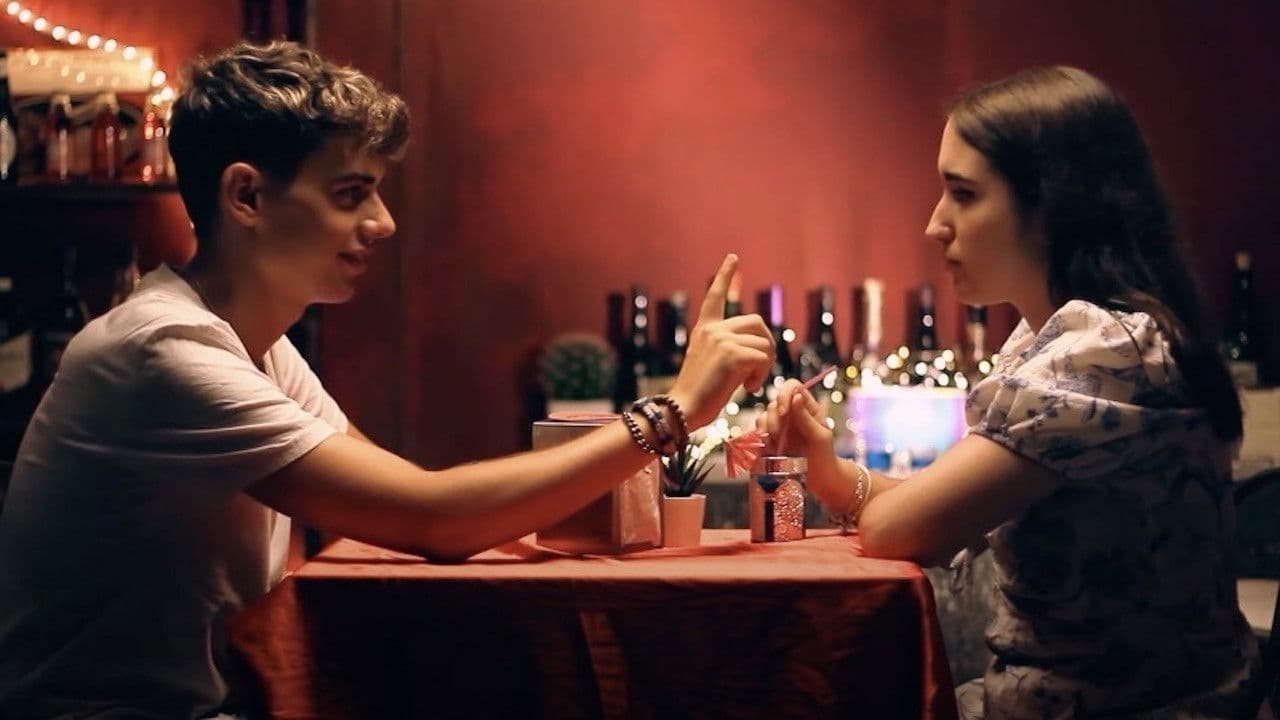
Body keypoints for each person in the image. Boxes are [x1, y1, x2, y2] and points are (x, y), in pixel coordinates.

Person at [0, 41, 774, 719]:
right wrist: (673, 412)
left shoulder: (252, 346)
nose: (383, 222)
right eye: (351, 194)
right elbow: (431, 518)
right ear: (247, 197)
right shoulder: (165, 351)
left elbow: (407, 500)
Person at [762, 66, 1261, 719]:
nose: (935, 224)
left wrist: (864, 498)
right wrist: (827, 469)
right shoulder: (1067, 339)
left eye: (964, 194)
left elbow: (899, 528)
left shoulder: (1104, 353)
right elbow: (943, 504)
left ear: (1055, 204)